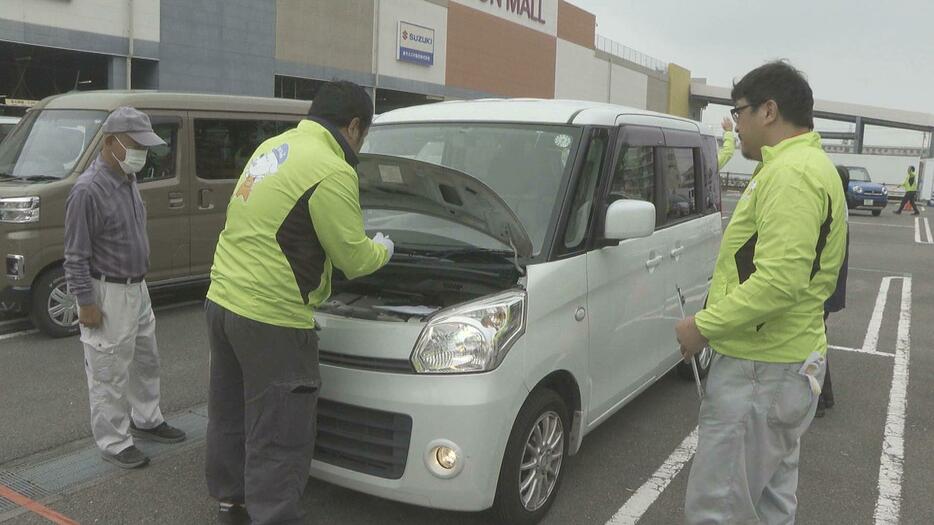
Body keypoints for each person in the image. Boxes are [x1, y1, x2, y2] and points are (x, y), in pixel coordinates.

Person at [203, 80, 392, 525]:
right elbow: (353, 257)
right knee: (280, 429)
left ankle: (231, 504)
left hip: (222, 300)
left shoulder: (273, 148)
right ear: (353, 126)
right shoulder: (331, 167)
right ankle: (275, 517)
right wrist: (384, 247)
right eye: (363, 134)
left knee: (231, 412)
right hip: (272, 316)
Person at [675, 61, 847, 524]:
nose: (739, 123)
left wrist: (702, 326)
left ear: (768, 111)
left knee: (720, 507)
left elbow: (779, 282)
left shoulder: (790, 175)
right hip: (788, 362)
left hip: (761, 368)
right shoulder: (806, 166)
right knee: (770, 501)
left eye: (741, 111)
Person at [64, 107, 187, 469]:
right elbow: (74, 254)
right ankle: (114, 441)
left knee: (147, 358)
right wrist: (85, 301)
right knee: (108, 370)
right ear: (110, 143)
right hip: (108, 291)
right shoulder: (87, 190)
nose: (142, 154)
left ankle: (147, 418)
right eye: (136, 145)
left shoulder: (128, 179)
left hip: (137, 288)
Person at [816, 165, 851, 418]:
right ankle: (825, 396)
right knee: (819, 337)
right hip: (831, 289)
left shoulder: (834, 210)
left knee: (813, 341)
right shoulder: (842, 209)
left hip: (824, 289)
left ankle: (818, 398)